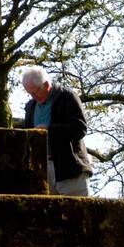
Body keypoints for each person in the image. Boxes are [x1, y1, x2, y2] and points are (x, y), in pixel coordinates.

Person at [20, 66, 92, 196]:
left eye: (35, 92)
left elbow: (80, 128)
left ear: (46, 85)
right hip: (42, 169)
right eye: (29, 93)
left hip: (69, 169)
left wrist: (49, 130)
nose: (33, 97)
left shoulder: (67, 97)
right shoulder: (31, 106)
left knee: (75, 213)